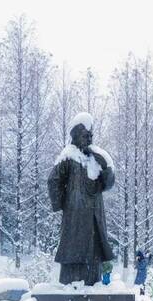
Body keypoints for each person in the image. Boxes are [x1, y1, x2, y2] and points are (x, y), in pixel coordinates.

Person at [47, 112, 115, 286]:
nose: (89, 139)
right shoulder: (69, 156)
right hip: (75, 217)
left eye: (91, 135)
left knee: (93, 252)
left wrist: (106, 166)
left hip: (94, 216)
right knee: (74, 251)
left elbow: (107, 184)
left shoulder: (94, 159)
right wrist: (62, 204)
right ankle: (72, 284)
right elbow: (53, 179)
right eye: (86, 136)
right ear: (76, 136)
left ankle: (93, 282)